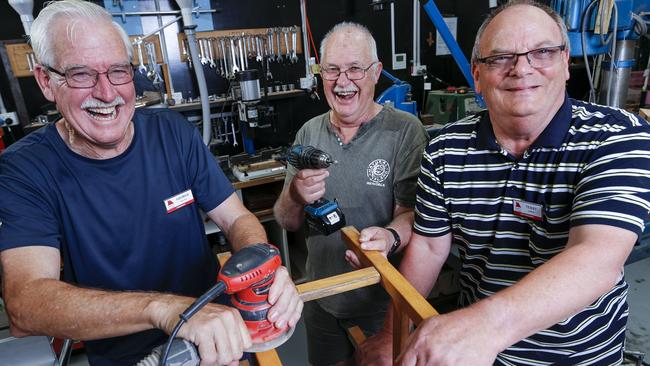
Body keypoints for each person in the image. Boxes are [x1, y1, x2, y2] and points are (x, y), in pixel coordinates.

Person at [0, 1, 302, 365]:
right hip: (128, 356)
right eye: (81, 74)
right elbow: (26, 303)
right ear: (46, 81)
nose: (106, 93)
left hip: (221, 340)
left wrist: (264, 270)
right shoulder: (24, 170)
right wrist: (166, 310)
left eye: (118, 71)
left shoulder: (173, 133)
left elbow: (236, 218)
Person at [356, 1, 650, 365]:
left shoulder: (618, 137)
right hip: (476, 353)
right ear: (477, 75)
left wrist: (483, 327)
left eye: (541, 52)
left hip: (576, 356)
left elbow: (596, 257)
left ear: (564, 61)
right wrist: (391, 335)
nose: (521, 68)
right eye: (500, 58)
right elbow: (430, 249)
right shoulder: (445, 150)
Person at [273, 22, 429, 366]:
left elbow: (415, 218)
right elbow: (286, 220)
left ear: (376, 73)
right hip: (322, 300)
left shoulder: (405, 132)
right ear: (321, 74)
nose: (343, 81)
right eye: (332, 70)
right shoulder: (308, 133)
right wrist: (296, 196)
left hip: (382, 306)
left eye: (355, 69)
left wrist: (389, 236)